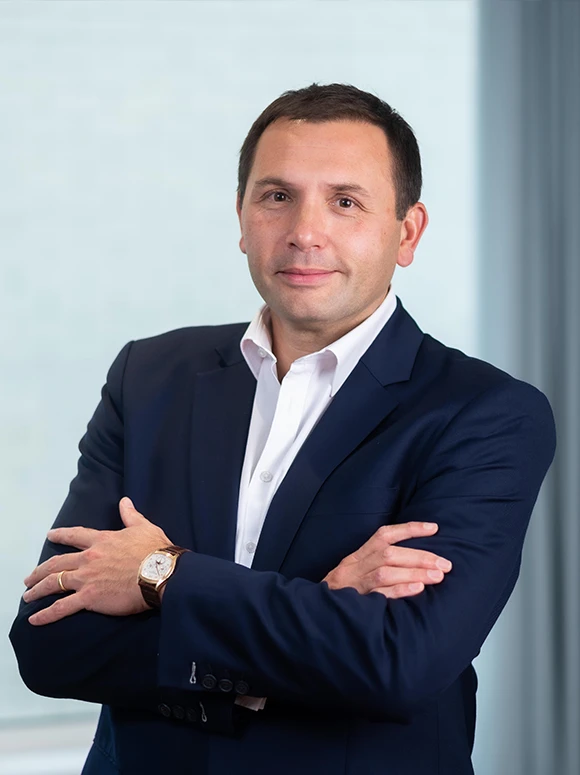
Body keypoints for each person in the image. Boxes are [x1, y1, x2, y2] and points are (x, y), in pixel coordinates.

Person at [10, 83, 556, 775]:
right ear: (242, 217)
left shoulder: (485, 414)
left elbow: (398, 664)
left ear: (408, 231)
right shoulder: (149, 377)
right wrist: (321, 612)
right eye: (276, 196)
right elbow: (51, 641)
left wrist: (161, 573)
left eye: (345, 201)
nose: (305, 230)